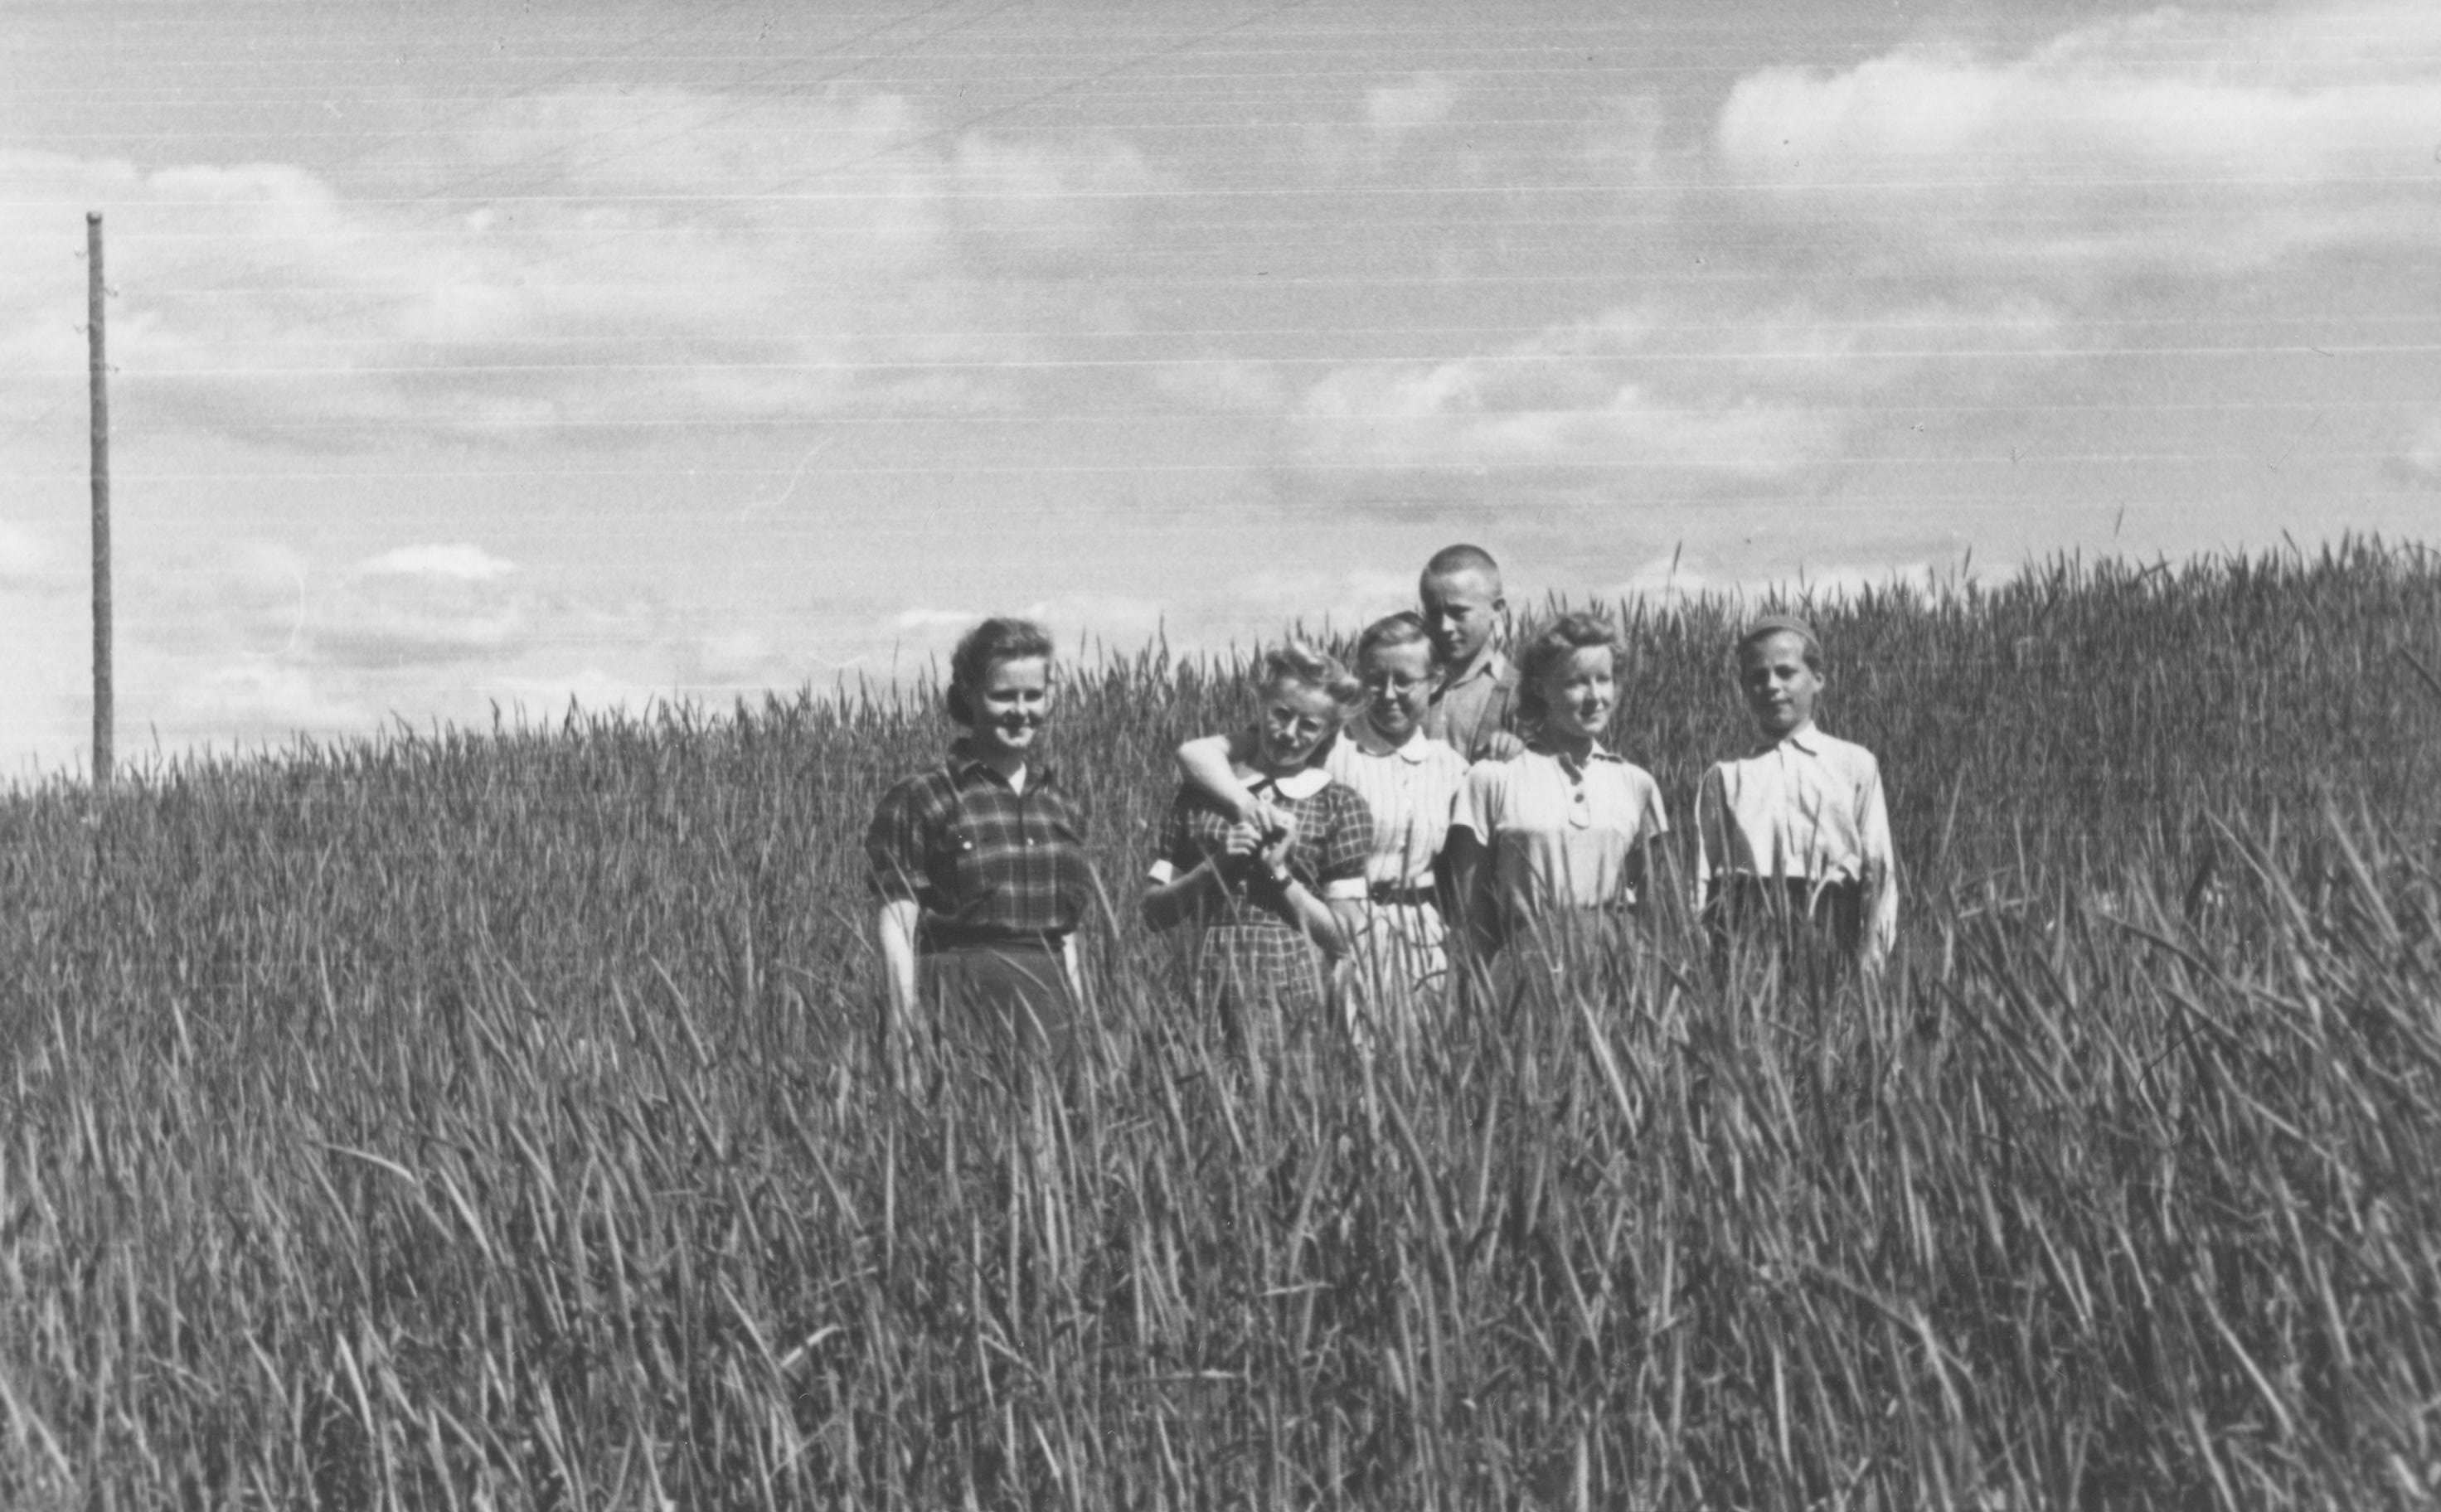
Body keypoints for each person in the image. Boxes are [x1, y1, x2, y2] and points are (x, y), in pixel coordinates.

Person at [1172, 613, 1471, 1041]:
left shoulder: (1453, 767)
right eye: (1375, 680)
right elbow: (1195, 754)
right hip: (1333, 935)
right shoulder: (1326, 741)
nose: (1388, 694)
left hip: (1423, 943)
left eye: (1404, 681)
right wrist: (1245, 805)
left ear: (1435, 681)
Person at [865, 618, 1095, 1087]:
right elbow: (897, 927)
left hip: (1050, 1010)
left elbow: (1067, 935)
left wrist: (1084, 1027)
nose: (1021, 711)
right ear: (969, 695)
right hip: (957, 1006)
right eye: (1003, 696)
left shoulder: (1062, 804)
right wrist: (904, 1030)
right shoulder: (924, 796)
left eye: (1033, 695)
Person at [1143, 642, 1375, 1054]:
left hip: (1294, 984)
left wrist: (1279, 877)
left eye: (1309, 725)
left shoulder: (1339, 804)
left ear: (1328, 732)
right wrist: (1215, 867)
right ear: (1262, 704)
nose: (1289, 733)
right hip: (1203, 979)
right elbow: (1153, 913)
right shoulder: (1202, 794)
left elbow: (1343, 937)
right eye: (1281, 713)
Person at [1445, 610, 1668, 979]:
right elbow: (1472, 907)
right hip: (1529, 965)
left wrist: (1626, 916)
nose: (1595, 697)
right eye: (1575, 682)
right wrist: (1484, 985)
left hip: (1618, 965)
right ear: (1539, 687)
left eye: (1604, 680)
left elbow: (1642, 886)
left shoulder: (1635, 783)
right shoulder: (1494, 778)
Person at [1694, 613, 1898, 982]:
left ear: (1817, 678)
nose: (1772, 686)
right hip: (1746, 938)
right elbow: (1700, 878)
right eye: (1758, 677)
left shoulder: (1854, 764)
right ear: (1744, 687)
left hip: (1831, 931)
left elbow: (1879, 872)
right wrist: (1705, 961)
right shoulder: (1725, 775)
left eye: (1786, 672)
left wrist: (1873, 962)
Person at [1418, 544, 1525, 763]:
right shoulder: (1412, 686)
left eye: (1458, 612)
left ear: (1497, 609)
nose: (1445, 627)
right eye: (1434, 614)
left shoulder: (1518, 693)